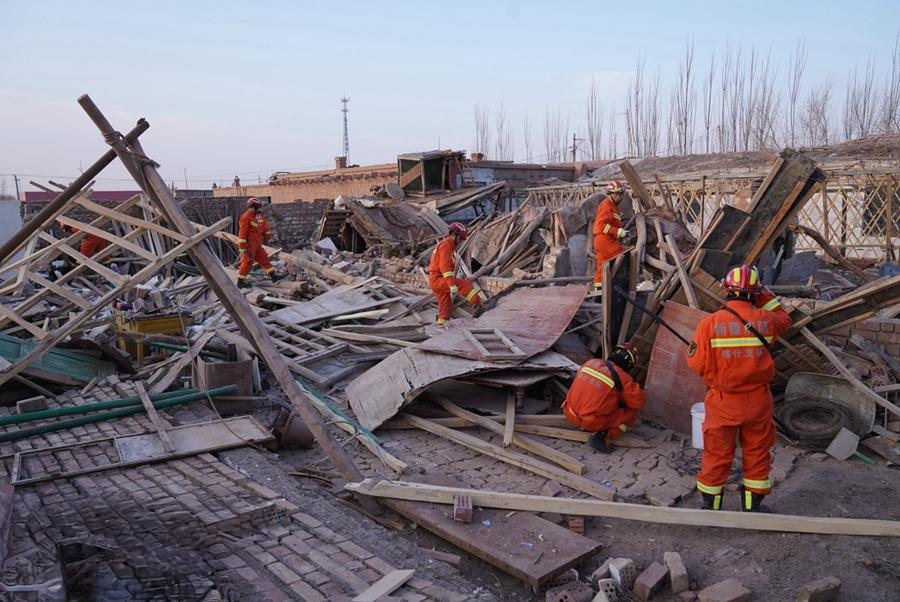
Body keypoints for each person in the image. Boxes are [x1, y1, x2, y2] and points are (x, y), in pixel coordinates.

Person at [686, 265, 792, 512]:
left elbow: (696, 364)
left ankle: (711, 505)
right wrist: (765, 295)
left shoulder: (709, 324)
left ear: (726, 289)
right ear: (755, 292)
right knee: (757, 451)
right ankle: (752, 505)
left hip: (723, 401)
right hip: (758, 401)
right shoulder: (766, 322)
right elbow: (785, 318)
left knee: (716, 453)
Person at [562, 343, 645, 453]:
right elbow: (639, 402)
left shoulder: (590, 362)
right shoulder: (622, 378)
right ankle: (601, 437)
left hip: (568, 411)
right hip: (590, 422)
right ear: (629, 365)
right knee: (631, 414)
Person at [427, 222, 483, 326]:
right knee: (465, 285)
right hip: (438, 279)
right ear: (454, 235)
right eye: (461, 239)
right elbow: (445, 266)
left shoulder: (447, 245)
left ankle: (440, 326)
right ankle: (479, 305)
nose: (461, 242)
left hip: (435, 280)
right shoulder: (446, 245)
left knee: (446, 308)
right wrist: (451, 284)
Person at [236, 197, 283, 288]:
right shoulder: (245, 217)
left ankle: (273, 276)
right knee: (247, 262)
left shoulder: (254, 217)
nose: (260, 210)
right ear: (253, 207)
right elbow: (242, 234)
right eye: (258, 208)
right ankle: (240, 282)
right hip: (249, 245)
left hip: (256, 244)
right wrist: (243, 248)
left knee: (264, 258)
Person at [592, 180, 629, 292]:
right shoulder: (606, 206)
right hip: (605, 240)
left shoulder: (613, 205)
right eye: (616, 194)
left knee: (601, 267)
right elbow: (601, 225)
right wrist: (618, 232)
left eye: (620, 194)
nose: (619, 196)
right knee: (622, 256)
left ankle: (599, 291)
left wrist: (620, 232)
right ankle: (620, 286)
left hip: (605, 240)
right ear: (611, 194)